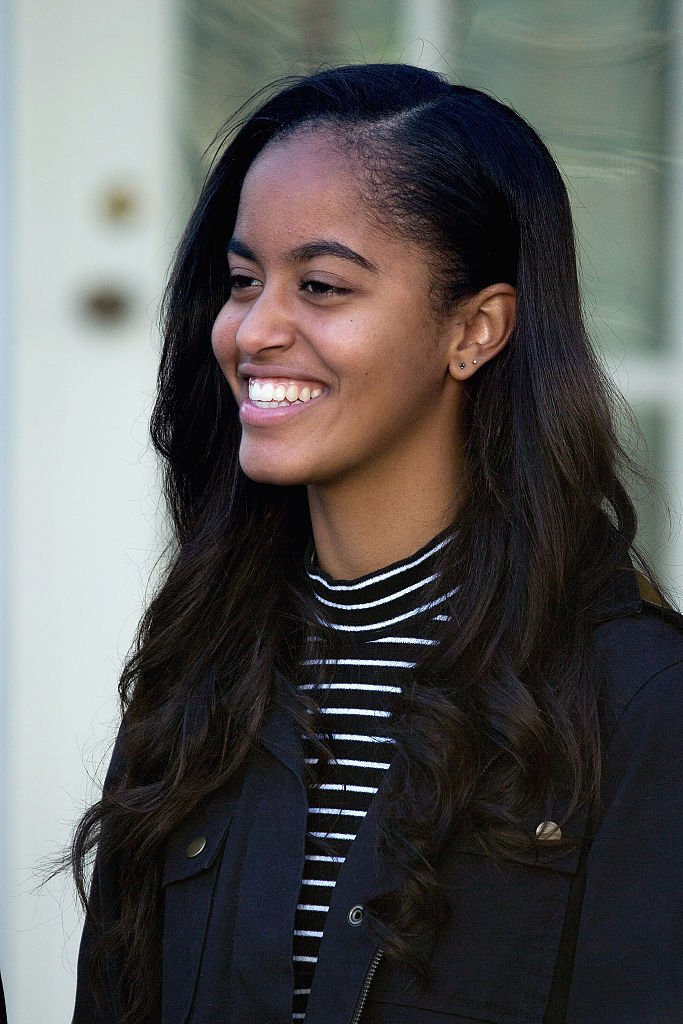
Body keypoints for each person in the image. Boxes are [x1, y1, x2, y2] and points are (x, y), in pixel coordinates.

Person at [71, 63, 683, 1024]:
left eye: (319, 285)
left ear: (474, 330)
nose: (252, 330)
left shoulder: (637, 705)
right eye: (241, 281)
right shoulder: (199, 673)